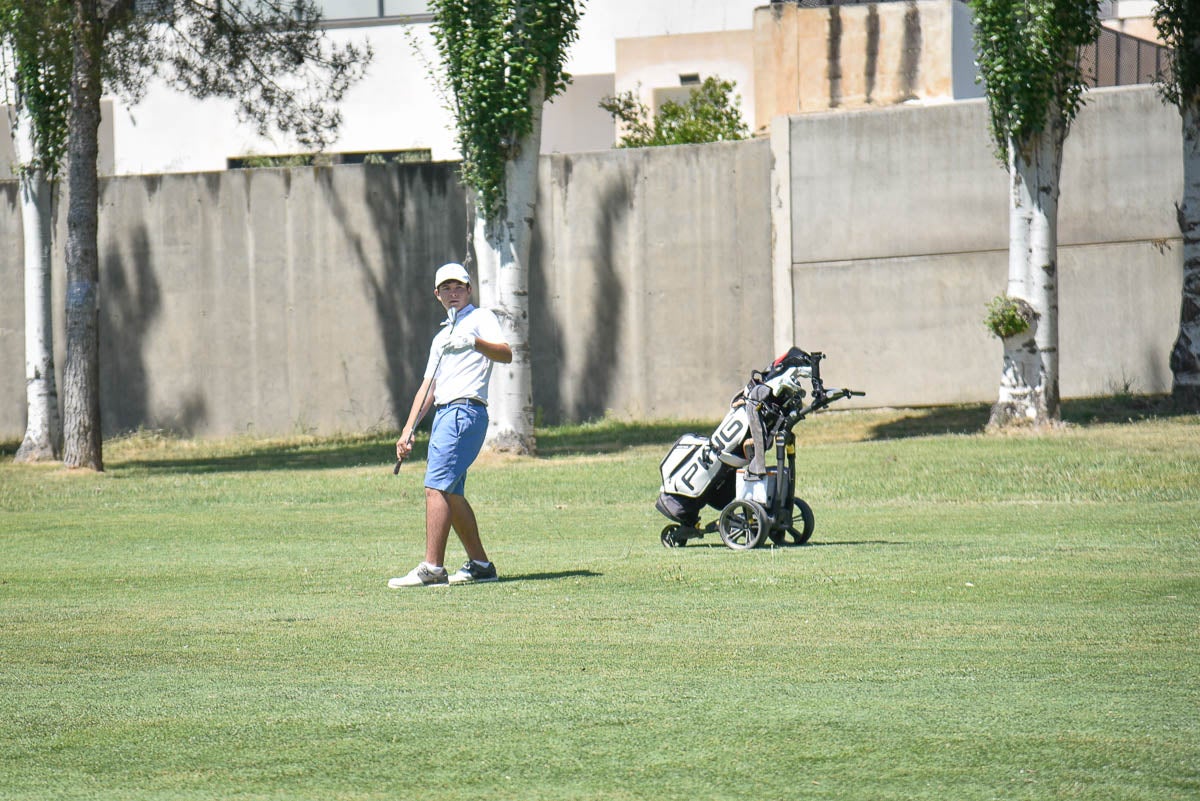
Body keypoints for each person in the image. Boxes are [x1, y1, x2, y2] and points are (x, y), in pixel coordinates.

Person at [389, 262, 513, 588]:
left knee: (436, 487)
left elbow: (505, 354)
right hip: (445, 413)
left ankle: (433, 568)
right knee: (452, 493)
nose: (453, 293)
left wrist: (474, 342)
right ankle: (482, 565)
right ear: (437, 295)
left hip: (465, 410)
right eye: (446, 288)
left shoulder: (481, 318)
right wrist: (408, 430)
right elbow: (428, 387)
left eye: (459, 287)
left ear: (469, 290)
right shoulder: (441, 337)